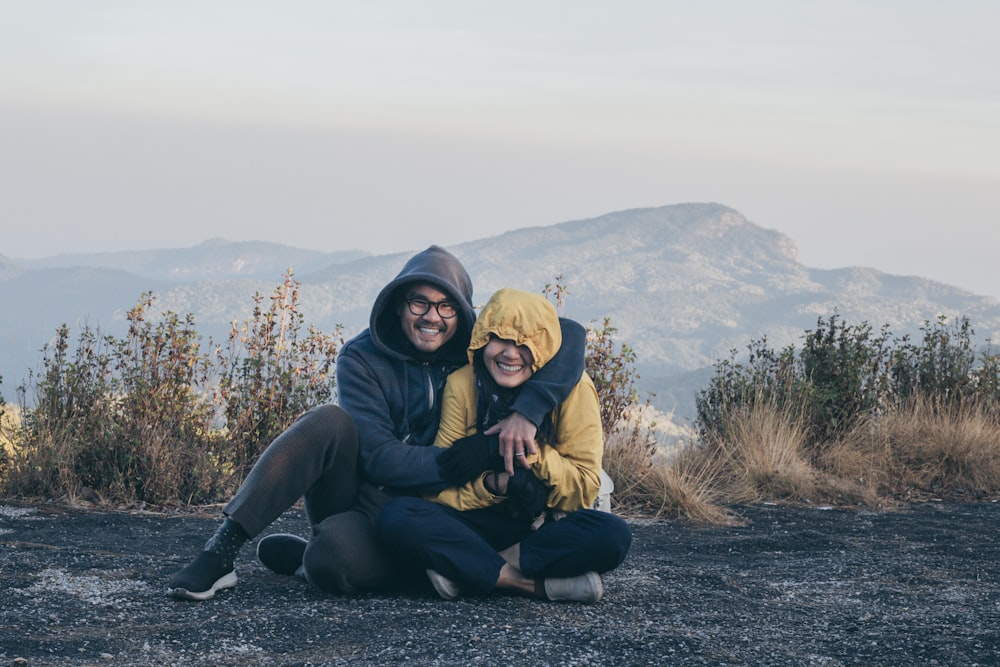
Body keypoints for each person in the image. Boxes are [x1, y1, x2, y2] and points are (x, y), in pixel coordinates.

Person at [167, 246, 587, 600]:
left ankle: (315, 558)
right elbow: (379, 456)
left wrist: (525, 413)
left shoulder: (474, 349)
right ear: (399, 303)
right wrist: (466, 457)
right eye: (419, 303)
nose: (432, 317)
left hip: (433, 513)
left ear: (463, 313)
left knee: (330, 559)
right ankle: (219, 554)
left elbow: (568, 335)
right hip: (361, 494)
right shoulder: (362, 358)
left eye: (445, 306)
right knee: (326, 421)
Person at [377, 288, 632, 604]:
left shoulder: (575, 390)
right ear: (482, 340)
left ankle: (471, 567)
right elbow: (438, 488)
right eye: (499, 339)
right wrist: (495, 485)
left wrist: (522, 452)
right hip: (476, 521)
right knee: (398, 516)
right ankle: (522, 583)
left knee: (612, 536)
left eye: (525, 344)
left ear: (544, 348)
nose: (510, 354)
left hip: (539, 528)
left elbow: (584, 486)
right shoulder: (463, 383)